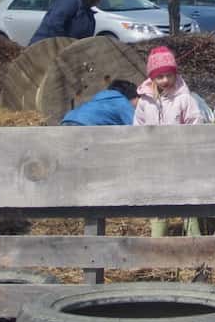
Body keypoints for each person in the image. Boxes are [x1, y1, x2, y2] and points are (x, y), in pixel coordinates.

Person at [133, 46, 203, 237]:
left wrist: (188, 143)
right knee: (158, 199)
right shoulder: (145, 101)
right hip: (155, 158)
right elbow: (138, 125)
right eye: (159, 76)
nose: (165, 80)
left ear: (175, 74)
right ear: (152, 78)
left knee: (186, 198)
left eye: (168, 75)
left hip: (181, 157)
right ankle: (157, 240)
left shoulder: (184, 98)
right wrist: (142, 145)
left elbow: (195, 122)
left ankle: (194, 239)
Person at [29, 0, 102, 45]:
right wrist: (65, 45)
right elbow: (54, 24)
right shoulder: (70, 0)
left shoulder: (88, 13)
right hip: (45, 48)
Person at [60, 79, 139, 126]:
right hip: (84, 126)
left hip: (66, 120)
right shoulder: (122, 103)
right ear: (132, 96)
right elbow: (136, 129)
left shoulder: (99, 100)